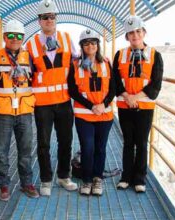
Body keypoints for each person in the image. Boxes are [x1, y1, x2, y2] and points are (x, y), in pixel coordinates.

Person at [26, 0, 79, 196]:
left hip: (64, 101)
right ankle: (46, 180)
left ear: (56, 19)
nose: (49, 20)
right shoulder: (30, 44)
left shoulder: (66, 38)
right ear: (39, 21)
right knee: (44, 144)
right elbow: (25, 72)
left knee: (66, 140)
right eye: (45, 17)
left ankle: (64, 176)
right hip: (42, 105)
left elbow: (78, 59)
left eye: (52, 17)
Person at [113, 15, 163, 193]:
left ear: (144, 33)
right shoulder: (120, 55)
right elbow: (116, 81)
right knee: (128, 142)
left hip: (145, 107)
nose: (135, 35)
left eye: (138, 31)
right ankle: (126, 177)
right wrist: (127, 97)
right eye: (130, 33)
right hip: (125, 106)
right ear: (126, 36)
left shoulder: (155, 55)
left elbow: (156, 83)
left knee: (141, 142)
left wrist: (136, 97)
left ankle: (140, 179)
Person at [0, 20, 39, 201]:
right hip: (2, 111)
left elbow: (36, 80)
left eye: (18, 36)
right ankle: (4, 186)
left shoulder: (28, 58)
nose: (15, 39)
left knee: (25, 149)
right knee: (1, 151)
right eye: (10, 35)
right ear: (4, 37)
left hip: (24, 111)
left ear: (23, 38)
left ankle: (26, 183)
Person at [68, 29, 115, 196]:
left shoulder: (107, 63)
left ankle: (97, 179)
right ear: (81, 46)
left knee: (100, 148)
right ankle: (87, 180)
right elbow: (73, 90)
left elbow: (114, 88)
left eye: (93, 42)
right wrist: (91, 106)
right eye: (86, 43)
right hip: (84, 116)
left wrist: (104, 104)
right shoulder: (74, 64)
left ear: (98, 45)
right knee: (87, 148)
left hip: (105, 115)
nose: (90, 46)